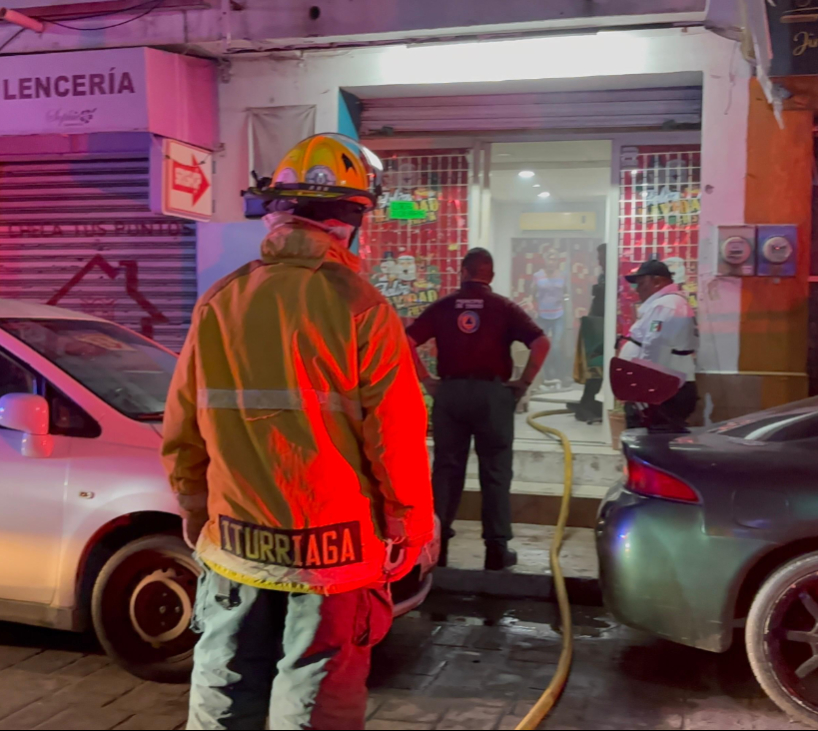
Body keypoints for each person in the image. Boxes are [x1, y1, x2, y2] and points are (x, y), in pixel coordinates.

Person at [162, 133, 434, 731]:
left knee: (225, 682)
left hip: (236, 543)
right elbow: (396, 436)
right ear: (351, 221)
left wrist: (191, 501)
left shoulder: (219, 301)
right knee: (316, 695)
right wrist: (410, 525)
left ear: (276, 211)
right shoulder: (362, 307)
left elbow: (183, 424)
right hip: (332, 557)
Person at [406, 248, 550, 571]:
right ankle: (496, 551)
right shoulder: (503, 307)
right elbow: (541, 343)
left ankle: (437, 547)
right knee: (496, 471)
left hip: (451, 394)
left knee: (446, 470)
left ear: (462, 272)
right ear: (491, 276)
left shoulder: (443, 307)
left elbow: (406, 341)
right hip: (492, 395)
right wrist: (523, 383)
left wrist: (427, 380)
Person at [617, 259, 698, 430]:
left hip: (663, 391)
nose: (637, 289)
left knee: (653, 443)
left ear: (657, 281)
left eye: (641, 283)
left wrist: (645, 392)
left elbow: (655, 347)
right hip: (664, 388)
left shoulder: (666, 305)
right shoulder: (666, 303)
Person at [573, 243, 607, 422]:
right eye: (599, 259)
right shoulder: (603, 277)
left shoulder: (616, 277)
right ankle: (587, 402)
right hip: (596, 326)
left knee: (599, 367)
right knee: (593, 365)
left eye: (602, 258)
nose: (600, 262)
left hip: (606, 329)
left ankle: (589, 402)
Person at [532, 249, 568, 386]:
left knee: (557, 346)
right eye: (549, 259)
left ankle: (560, 374)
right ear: (545, 261)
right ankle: (547, 375)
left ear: (557, 262)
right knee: (544, 346)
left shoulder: (563, 276)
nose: (551, 262)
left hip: (558, 314)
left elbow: (566, 293)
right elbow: (532, 293)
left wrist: (565, 300)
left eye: (554, 260)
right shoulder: (538, 276)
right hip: (543, 315)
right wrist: (532, 305)